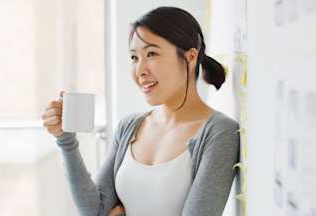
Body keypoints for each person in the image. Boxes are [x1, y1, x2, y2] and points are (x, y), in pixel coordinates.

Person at [41, 6, 240, 216]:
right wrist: (65, 138)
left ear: (190, 57)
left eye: (151, 54)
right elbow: (95, 210)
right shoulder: (130, 127)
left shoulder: (219, 132)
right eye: (134, 57)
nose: (140, 71)